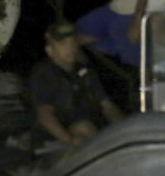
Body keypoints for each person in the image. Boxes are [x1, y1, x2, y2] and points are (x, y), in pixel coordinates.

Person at [28, 21, 125, 150]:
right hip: (55, 142)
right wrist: (70, 139)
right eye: (63, 44)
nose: (70, 48)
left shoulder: (85, 72)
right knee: (85, 127)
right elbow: (45, 115)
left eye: (72, 42)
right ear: (49, 50)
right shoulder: (44, 73)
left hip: (91, 136)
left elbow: (107, 106)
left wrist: (124, 129)